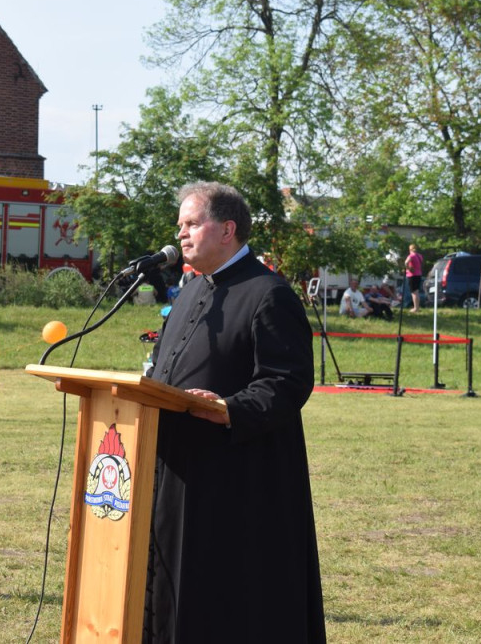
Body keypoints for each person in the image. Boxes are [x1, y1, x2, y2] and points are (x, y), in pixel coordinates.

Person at [144, 182, 326, 643]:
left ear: (227, 229)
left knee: (224, 598)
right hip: (177, 465)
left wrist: (229, 408)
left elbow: (288, 381)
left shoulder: (269, 293)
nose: (181, 234)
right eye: (180, 224)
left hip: (236, 477)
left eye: (191, 223)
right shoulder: (188, 293)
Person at [405, 243, 424, 312]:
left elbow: (406, 262)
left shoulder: (411, 255)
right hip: (419, 274)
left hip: (412, 275)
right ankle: (417, 307)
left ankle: (416, 308)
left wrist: (409, 268)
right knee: (417, 292)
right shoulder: (420, 256)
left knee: (414, 292)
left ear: (410, 249)